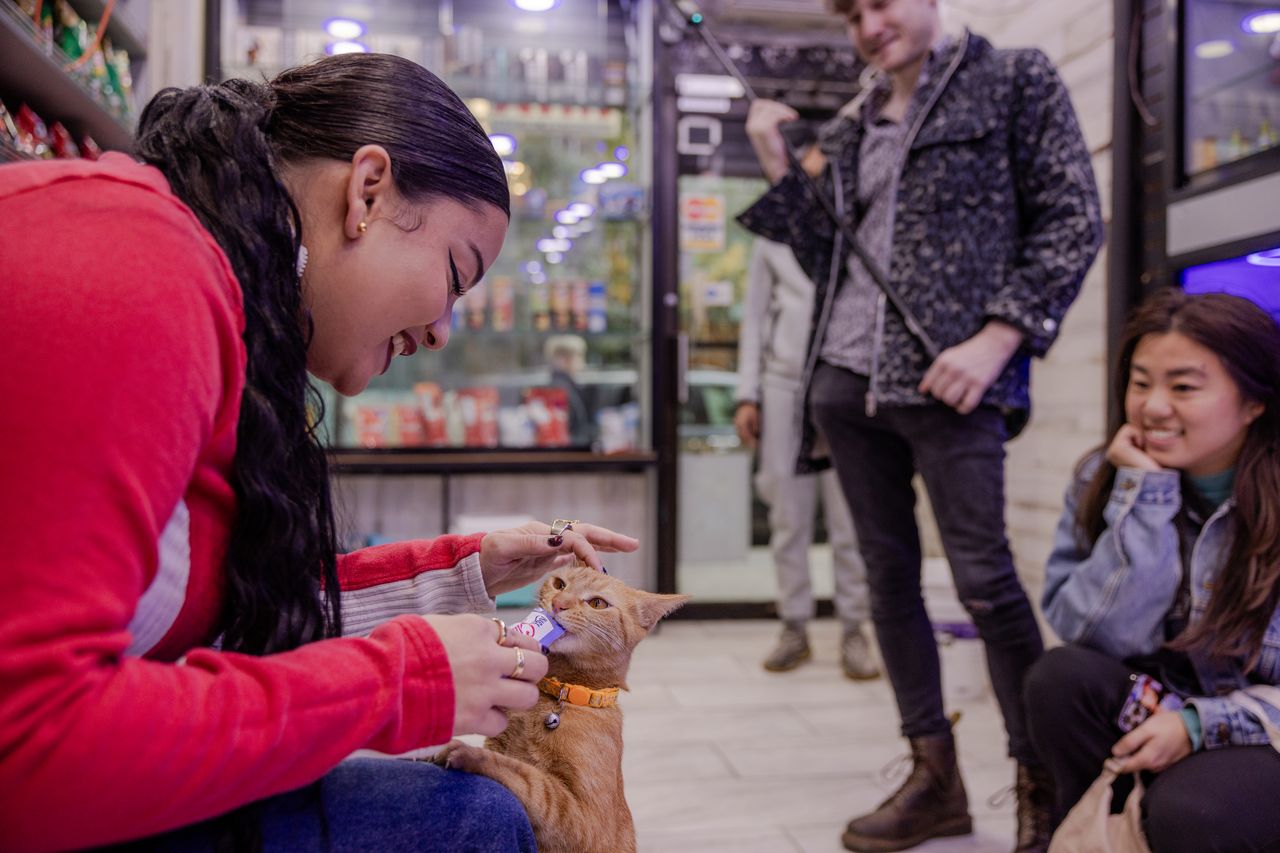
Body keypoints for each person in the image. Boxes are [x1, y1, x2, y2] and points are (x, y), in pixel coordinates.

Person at [0, 53, 639, 852]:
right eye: (455, 273)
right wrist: (397, 681)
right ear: (367, 189)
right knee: (475, 819)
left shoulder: (211, 295)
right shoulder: (132, 274)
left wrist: (460, 572)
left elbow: (215, 615)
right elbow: (27, 742)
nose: (442, 331)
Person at [738, 0, 1103, 849]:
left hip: (952, 383)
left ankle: (1041, 786)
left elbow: (1073, 218)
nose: (869, 23)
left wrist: (996, 339)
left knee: (985, 581)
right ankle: (934, 776)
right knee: (887, 580)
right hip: (845, 381)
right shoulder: (858, 119)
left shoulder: (1013, 80)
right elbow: (827, 255)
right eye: (852, 11)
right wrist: (778, 167)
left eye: (883, 2)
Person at [1026, 290, 1280, 851]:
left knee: (1192, 809)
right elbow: (1098, 635)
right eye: (1141, 383)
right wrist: (1146, 497)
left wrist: (1199, 725)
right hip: (1171, 695)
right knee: (1060, 679)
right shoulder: (1107, 473)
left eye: (1184, 387)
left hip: (1266, 721)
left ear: (1255, 402)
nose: (1152, 407)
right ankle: (1087, 832)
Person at [734, 236, 879, 679]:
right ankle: (794, 625)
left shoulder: (855, 218)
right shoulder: (772, 234)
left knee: (850, 517)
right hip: (783, 388)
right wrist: (747, 394)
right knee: (789, 516)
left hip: (848, 384)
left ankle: (855, 628)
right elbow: (755, 318)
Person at [545, 333, 595, 446]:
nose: (582, 362)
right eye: (579, 355)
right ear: (565, 359)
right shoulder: (559, 388)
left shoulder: (566, 385)